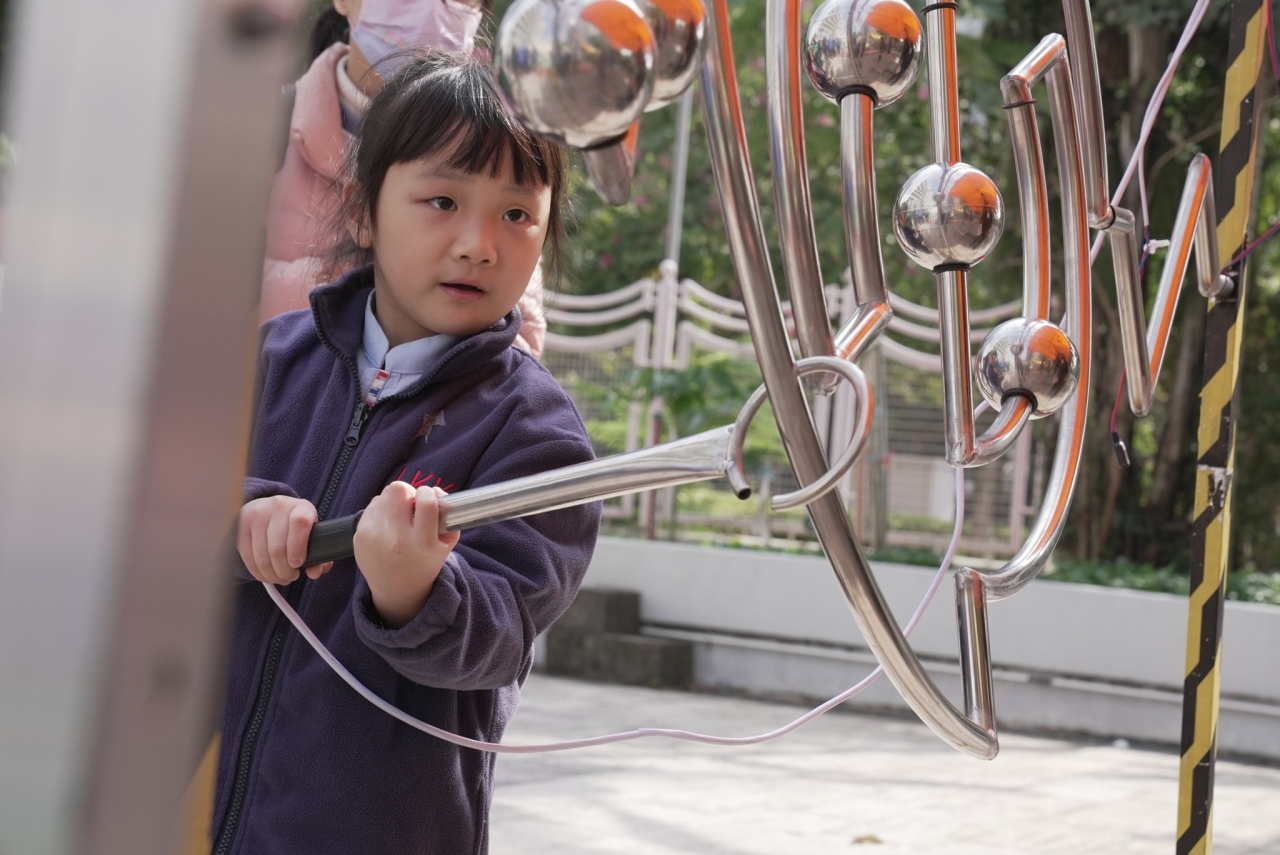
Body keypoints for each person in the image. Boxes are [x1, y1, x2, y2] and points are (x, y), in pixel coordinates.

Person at [212, 53, 600, 854]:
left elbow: (502, 636)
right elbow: (156, 518)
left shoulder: (538, 433)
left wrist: (419, 593)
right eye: (443, 201)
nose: (479, 244)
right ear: (364, 211)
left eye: (517, 214)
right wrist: (238, 513)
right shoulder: (268, 359)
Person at [262, 0, 549, 357]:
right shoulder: (255, 133)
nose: (477, 248)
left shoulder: (508, 142)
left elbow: (518, 344)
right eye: (442, 201)